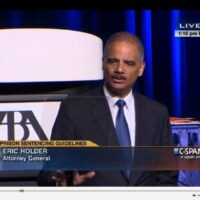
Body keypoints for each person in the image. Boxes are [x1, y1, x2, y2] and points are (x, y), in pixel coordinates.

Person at [37, 31, 178, 186]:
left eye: (128, 63)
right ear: (103, 63)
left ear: (141, 68)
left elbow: (167, 176)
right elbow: (48, 173)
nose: (119, 69)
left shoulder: (157, 113)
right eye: (112, 61)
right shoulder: (74, 109)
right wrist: (66, 181)